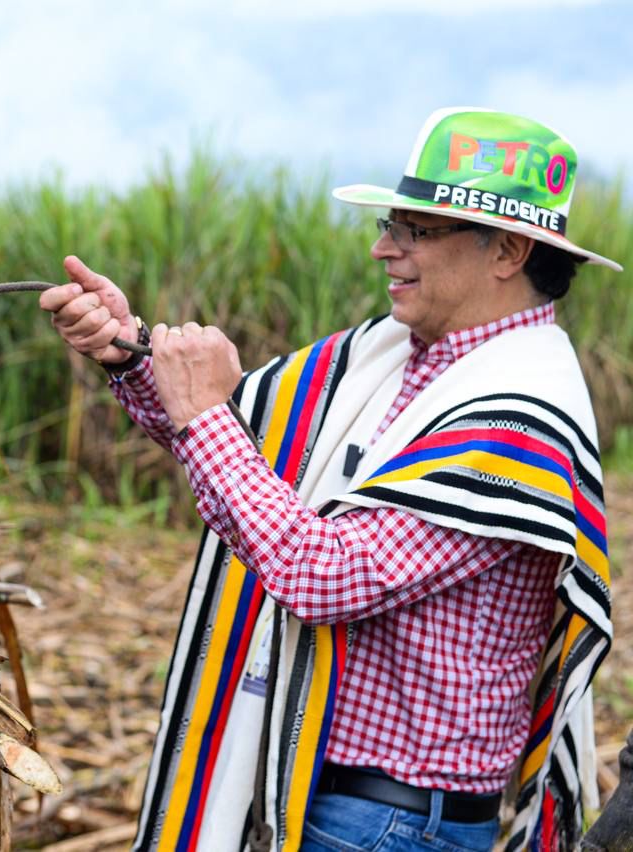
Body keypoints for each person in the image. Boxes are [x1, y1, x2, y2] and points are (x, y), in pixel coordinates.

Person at [39, 107, 620, 852]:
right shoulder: (399, 357)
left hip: (393, 826)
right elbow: (254, 457)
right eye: (389, 223)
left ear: (507, 250)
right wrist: (133, 355)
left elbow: (322, 576)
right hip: (333, 799)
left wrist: (203, 412)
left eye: (414, 230)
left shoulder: (518, 419)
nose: (384, 248)